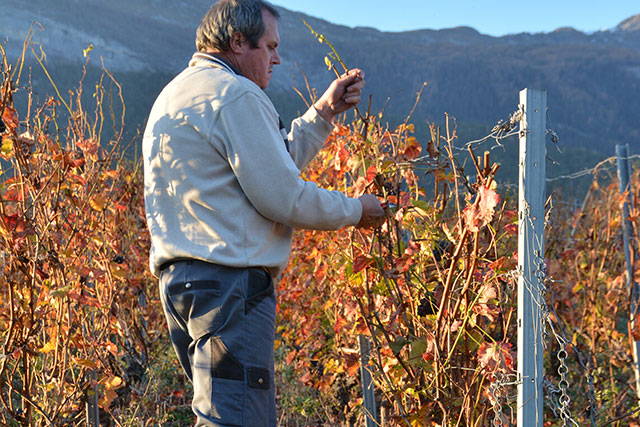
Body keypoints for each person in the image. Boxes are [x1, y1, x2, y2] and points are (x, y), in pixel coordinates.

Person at [142, 0, 384, 425]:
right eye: (270, 46)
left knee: (217, 415)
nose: (276, 58)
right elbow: (284, 196)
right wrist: (355, 209)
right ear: (238, 42)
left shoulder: (176, 95)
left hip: (182, 287)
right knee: (238, 419)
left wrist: (323, 113)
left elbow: (271, 163)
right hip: (230, 289)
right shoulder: (235, 94)